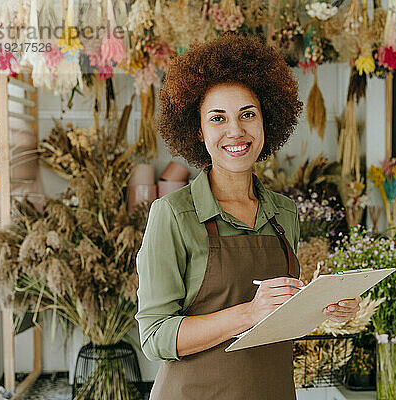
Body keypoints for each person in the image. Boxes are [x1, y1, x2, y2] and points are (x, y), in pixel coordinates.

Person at [135, 34, 361, 400]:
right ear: (198, 130)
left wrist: (324, 307)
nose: (235, 131)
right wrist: (247, 313)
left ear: (265, 121)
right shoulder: (173, 215)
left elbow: (276, 317)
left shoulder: (283, 214)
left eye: (248, 114)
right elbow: (155, 337)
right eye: (218, 118)